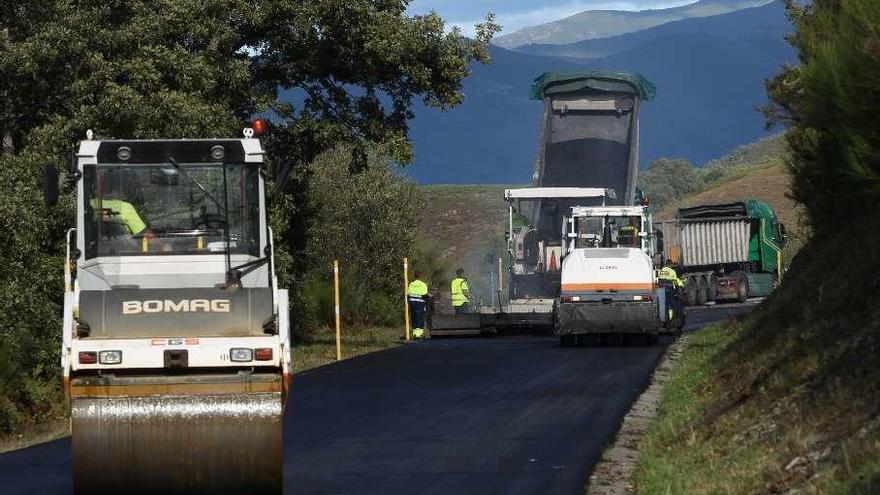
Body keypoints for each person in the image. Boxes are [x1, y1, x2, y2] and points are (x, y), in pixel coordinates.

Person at [408, 270, 429, 339]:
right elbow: (424, 295)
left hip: (412, 304)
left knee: (414, 318)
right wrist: (430, 297)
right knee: (420, 318)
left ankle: (415, 333)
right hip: (420, 303)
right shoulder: (423, 284)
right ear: (421, 276)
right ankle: (418, 335)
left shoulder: (411, 284)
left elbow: (408, 295)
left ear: (415, 276)